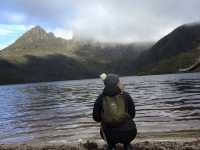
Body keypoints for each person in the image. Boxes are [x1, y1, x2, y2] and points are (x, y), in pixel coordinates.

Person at [93, 73, 137, 150]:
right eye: (119, 81)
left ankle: (111, 146)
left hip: (109, 134)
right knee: (127, 137)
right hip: (129, 133)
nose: (120, 83)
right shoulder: (126, 95)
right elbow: (132, 114)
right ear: (117, 84)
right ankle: (127, 145)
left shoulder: (100, 98)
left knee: (110, 141)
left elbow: (96, 118)